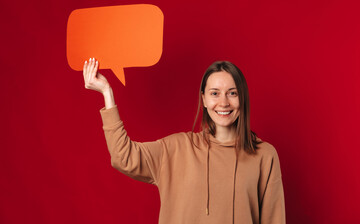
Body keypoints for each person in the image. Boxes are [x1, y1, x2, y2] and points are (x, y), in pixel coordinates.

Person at [83, 58, 286, 224]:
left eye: (232, 93)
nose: (223, 102)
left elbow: (273, 220)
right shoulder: (176, 148)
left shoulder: (264, 155)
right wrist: (107, 93)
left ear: (242, 98)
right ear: (204, 99)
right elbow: (123, 157)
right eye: (215, 93)